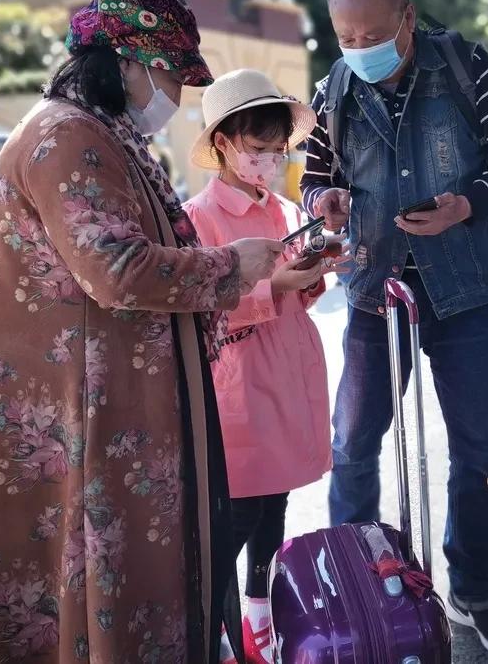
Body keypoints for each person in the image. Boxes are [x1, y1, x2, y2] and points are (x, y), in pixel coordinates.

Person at [0, 0, 283, 664]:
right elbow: (115, 269)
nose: (174, 93)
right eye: (170, 74)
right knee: (106, 582)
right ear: (128, 63)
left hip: (115, 397)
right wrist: (229, 265)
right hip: (93, 408)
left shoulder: (97, 131)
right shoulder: (65, 137)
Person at [300, 0, 488, 662]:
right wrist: (324, 200)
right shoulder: (333, 88)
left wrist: (468, 203)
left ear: (407, 16)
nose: (360, 48)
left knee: (479, 449)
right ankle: (355, 589)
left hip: (463, 289)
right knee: (353, 447)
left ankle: (473, 590)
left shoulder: (465, 64)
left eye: (373, 34)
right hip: (373, 293)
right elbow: (313, 177)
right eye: (346, 36)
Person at [183, 69, 346, 663]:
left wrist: (311, 274)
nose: (271, 162)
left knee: (275, 501)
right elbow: (202, 307)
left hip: (287, 370)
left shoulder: (283, 209)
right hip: (242, 382)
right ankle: (210, 626)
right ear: (223, 143)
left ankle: (259, 612)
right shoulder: (198, 217)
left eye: (279, 150)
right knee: (238, 511)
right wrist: (274, 285)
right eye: (258, 148)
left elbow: (296, 292)